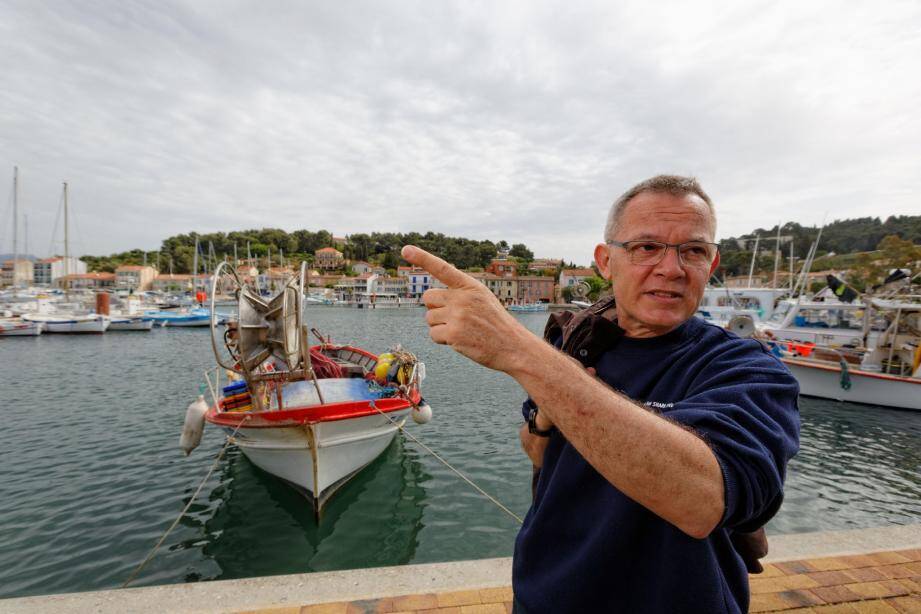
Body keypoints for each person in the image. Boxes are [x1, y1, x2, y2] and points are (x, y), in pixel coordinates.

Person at [401, 175, 800, 613]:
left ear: (711, 262)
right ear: (606, 261)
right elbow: (539, 453)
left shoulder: (748, 370)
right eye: (647, 247)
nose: (672, 268)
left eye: (693, 251)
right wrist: (546, 416)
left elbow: (703, 501)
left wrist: (517, 349)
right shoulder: (576, 344)